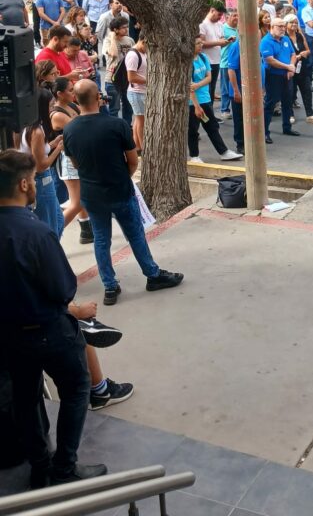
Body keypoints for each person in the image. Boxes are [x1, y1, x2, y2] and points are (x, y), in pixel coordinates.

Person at [0, 150, 108, 488]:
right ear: (22, 184)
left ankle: (39, 465)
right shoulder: (36, 233)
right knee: (77, 388)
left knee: (25, 398)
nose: (34, 185)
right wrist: (76, 310)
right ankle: (64, 466)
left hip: (10, 337)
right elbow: (62, 288)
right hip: (49, 332)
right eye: (32, 180)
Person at [64, 80, 184, 305]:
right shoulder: (116, 124)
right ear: (98, 98)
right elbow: (132, 160)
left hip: (91, 192)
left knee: (101, 239)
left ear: (75, 100)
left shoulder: (70, 129)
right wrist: (122, 177)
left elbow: (76, 163)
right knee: (135, 233)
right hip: (119, 189)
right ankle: (152, 274)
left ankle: (109, 286)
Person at [50, 78, 93, 241]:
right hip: (68, 160)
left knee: (81, 196)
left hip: (77, 156)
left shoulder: (72, 105)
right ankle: (52, 236)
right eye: (70, 90)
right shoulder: (58, 114)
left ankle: (86, 230)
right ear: (60, 94)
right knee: (77, 202)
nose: (74, 93)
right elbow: (81, 129)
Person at [188, 35, 243, 161]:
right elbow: (189, 88)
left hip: (205, 99)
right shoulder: (188, 63)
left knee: (212, 126)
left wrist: (197, 85)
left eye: (201, 43)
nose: (201, 45)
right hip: (193, 102)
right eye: (197, 43)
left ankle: (223, 151)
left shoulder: (203, 57)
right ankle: (194, 155)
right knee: (193, 130)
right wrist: (196, 106)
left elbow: (209, 77)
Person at [18, 89, 65, 238]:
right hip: (41, 180)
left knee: (58, 221)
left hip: (35, 178)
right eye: (51, 105)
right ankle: (48, 258)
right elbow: (41, 164)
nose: (53, 108)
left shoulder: (25, 125)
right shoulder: (37, 131)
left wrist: (51, 144)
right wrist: (58, 149)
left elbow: (34, 151)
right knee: (50, 228)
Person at [284, 14, 313, 124]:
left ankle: (310, 115)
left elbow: (309, 50)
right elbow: (284, 54)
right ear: (286, 24)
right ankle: (290, 114)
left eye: (296, 22)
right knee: (290, 92)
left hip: (302, 68)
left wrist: (305, 53)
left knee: (307, 91)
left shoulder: (299, 35)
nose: (294, 24)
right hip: (291, 68)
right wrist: (296, 57)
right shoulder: (284, 37)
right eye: (292, 22)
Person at [199, 4, 230, 104]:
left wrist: (226, 42)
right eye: (219, 14)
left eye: (221, 15)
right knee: (206, 89)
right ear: (212, 11)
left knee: (212, 89)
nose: (220, 17)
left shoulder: (220, 24)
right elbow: (201, 43)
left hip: (216, 60)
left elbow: (220, 41)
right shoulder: (203, 24)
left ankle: (210, 113)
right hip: (206, 60)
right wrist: (218, 43)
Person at [125, 36, 148, 152]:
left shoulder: (142, 53)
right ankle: (144, 147)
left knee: (138, 120)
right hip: (137, 93)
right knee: (141, 121)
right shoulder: (133, 55)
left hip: (141, 92)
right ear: (143, 41)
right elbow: (131, 77)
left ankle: (137, 145)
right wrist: (149, 80)